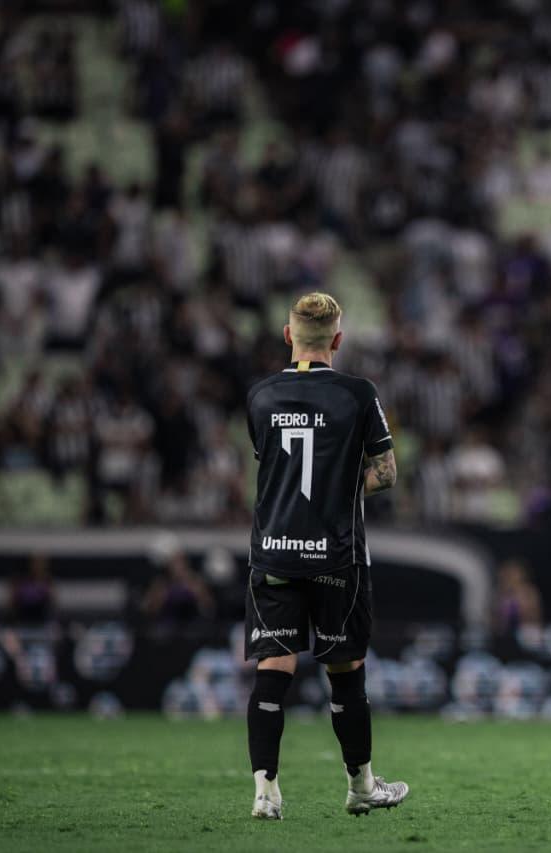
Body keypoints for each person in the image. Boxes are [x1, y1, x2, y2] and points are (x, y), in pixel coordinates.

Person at [243, 292, 407, 820]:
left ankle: (265, 793)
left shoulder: (261, 395)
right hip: (336, 555)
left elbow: (272, 467)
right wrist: (340, 489)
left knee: (274, 665)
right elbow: (386, 472)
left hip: (275, 551)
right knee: (344, 668)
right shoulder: (358, 394)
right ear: (338, 340)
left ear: (288, 336)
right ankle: (361, 786)